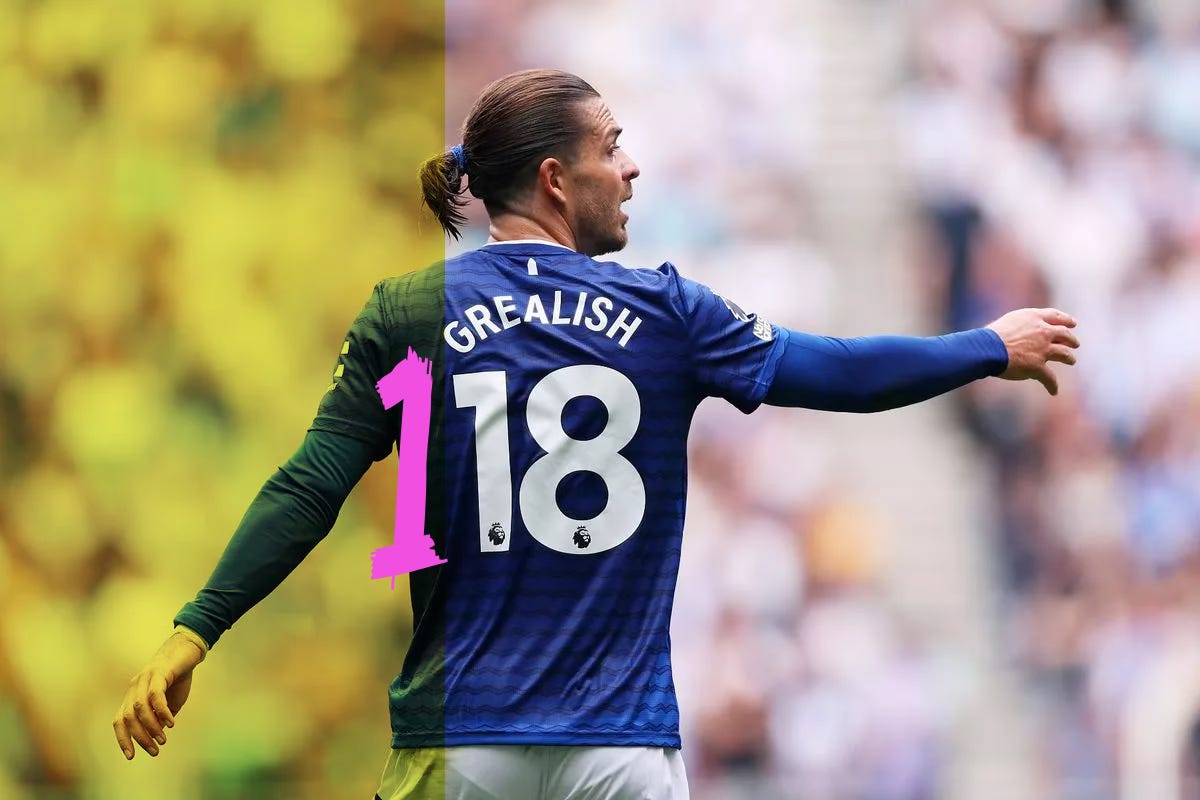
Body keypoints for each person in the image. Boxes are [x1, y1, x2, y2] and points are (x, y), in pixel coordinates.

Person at [113, 69, 1080, 799]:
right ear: (554, 178)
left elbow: (309, 485)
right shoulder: (667, 314)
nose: (631, 167)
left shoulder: (408, 313)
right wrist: (984, 346)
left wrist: (197, 629)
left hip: (463, 741)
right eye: (611, 147)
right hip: (619, 746)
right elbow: (834, 372)